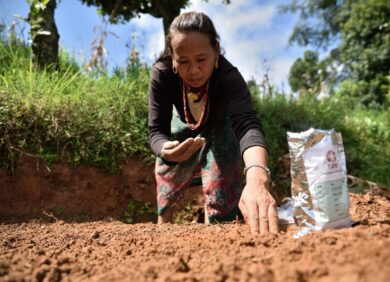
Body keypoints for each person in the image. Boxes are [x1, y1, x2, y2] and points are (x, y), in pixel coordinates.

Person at [148, 11, 279, 235]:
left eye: (201, 59)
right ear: (172, 57)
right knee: (166, 164)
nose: (194, 70)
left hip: (221, 126)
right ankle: (163, 226)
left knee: (226, 146)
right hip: (186, 126)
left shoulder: (229, 77)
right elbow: (157, 132)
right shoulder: (162, 74)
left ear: (216, 50)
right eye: (183, 62)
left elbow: (247, 126)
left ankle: (219, 228)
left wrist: (257, 178)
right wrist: (165, 150)